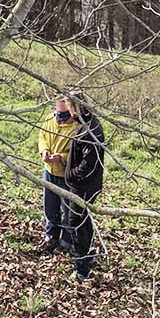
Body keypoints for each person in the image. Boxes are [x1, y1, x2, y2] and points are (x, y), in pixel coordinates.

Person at [64, 93, 105, 283]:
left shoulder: (89, 130)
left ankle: (82, 270)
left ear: (74, 106)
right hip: (86, 185)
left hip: (83, 187)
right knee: (84, 220)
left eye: (68, 106)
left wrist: (70, 175)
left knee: (76, 223)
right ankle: (88, 254)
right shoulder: (86, 122)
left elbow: (89, 165)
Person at [38, 96, 76, 254]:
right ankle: (51, 235)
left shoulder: (76, 126)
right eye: (58, 108)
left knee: (67, 209)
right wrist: (44, 151)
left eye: (64, 111)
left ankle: (66, 241)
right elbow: (42, 137)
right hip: (49, 171)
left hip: (66, 175)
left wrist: (62, 157)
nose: (61, 117)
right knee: (50, 206)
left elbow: (77, 152)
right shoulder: (49, 119)